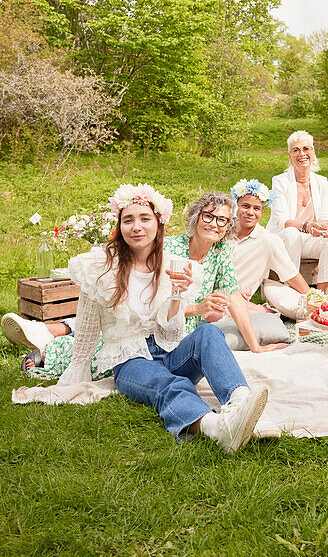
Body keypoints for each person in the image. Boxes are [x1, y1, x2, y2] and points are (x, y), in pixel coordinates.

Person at [16, 183, 273, 451]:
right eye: (128, 220)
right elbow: (88, 331)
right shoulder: (100, 267)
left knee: (210, 333)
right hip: (131, 362)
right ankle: (216, 429)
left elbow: (171, 327)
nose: (137, 226)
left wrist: (176, 294)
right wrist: (75, 377)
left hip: (170, 350)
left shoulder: (172, 264)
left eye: (145, 219)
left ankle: (241, 404)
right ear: (120, 226)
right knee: (172, 385)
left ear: (158, 224)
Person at [164, 192, 287, 352]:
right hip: (163, 337)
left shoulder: (220, 251)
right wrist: (196, 309)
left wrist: (256, 347)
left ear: (229, 226)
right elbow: (154, 307)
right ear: (196, 216)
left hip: (196, 335)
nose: (214, 224)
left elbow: (234, 298)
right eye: (208, 216)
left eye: (222, 220)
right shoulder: (169, 249)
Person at [269, 131, 328, 292]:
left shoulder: (322, 182)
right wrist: (306, 226)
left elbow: (326, 216)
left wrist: (326, 226)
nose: (301, 154)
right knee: (291, 233)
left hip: (310, 241)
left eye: (306, 149)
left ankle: (320, 293)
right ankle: (293, 291)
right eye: (296, 150)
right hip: (285, 241)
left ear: (313, 153)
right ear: (290, 156)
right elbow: (281, 221)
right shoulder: (279, 182)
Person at [229, 178, 311, 323]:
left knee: (263, 315)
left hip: (236, 302)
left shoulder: (269, 241)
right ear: (237, 206)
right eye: (245, 206)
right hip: (211, 295)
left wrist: (316, 302)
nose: (250, 212)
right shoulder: (222, 232)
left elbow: (292, 275)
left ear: (262, 211)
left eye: (256, 208)